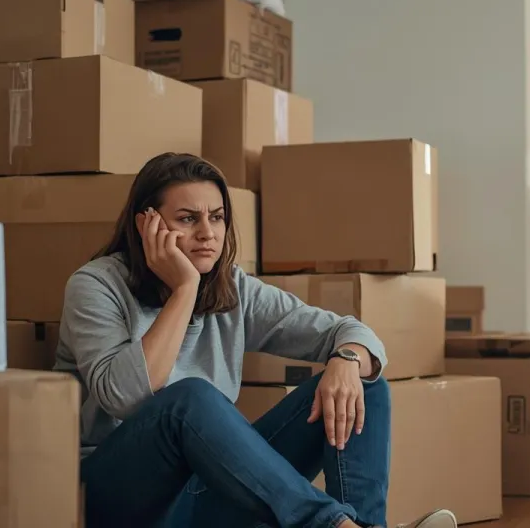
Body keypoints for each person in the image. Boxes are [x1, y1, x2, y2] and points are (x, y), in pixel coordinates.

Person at [54, 152, 458, 528]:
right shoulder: (95, 286)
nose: (208, 234)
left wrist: (347, 361)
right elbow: (123, 396)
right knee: (187, 401)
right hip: (121, 498)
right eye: (187, 219)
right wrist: (184, 291)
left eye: (216, 217)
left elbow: (352, 333)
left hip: (207, 494)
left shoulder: (234, 289)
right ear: (147, 224)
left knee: (363, 385)